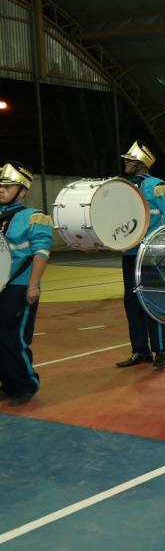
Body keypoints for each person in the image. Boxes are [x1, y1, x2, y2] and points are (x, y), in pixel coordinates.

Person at [116, 141, 165, 370]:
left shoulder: (158, 186)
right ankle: (139, 351)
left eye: (130, 159)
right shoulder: (124, 187)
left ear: (142, 162)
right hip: (129, 253)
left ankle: (160, 350)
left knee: (151, 300)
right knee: (131, 302)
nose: (125, 161)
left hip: (151, 254)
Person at [0, 162, 52, 406]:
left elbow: (41, 252)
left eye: (8, 186)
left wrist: (33, 285)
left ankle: (27, 384)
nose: (1, 189)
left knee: (14, 338)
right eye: (0, 185)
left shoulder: (34, 217)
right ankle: (9, 384)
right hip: (1, 287)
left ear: (22, 191)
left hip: (21, 286)